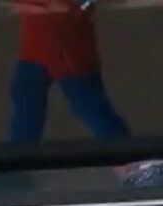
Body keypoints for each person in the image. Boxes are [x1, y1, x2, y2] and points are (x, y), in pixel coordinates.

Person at [8, 0, 130, 142]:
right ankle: (124, 149)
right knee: (26, 102)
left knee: (89, 105)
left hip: (67, 50)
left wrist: (72, 8)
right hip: (40, 48)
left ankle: (125, 151)